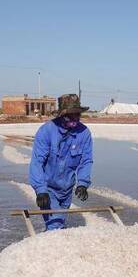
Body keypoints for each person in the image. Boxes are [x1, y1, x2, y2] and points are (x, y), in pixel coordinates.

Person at [29, 94, 93, 231]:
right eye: (71, 115)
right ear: (62, 115)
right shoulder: (46, 131)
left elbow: (86, 161)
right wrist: (40, 190)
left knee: (59, 225)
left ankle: (47, 245)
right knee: (55, 226)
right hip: (48, 188)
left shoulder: (84, 133)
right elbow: (37, 162)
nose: (75, 118)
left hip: (67, 189)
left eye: (77, 114)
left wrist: (82, 183)